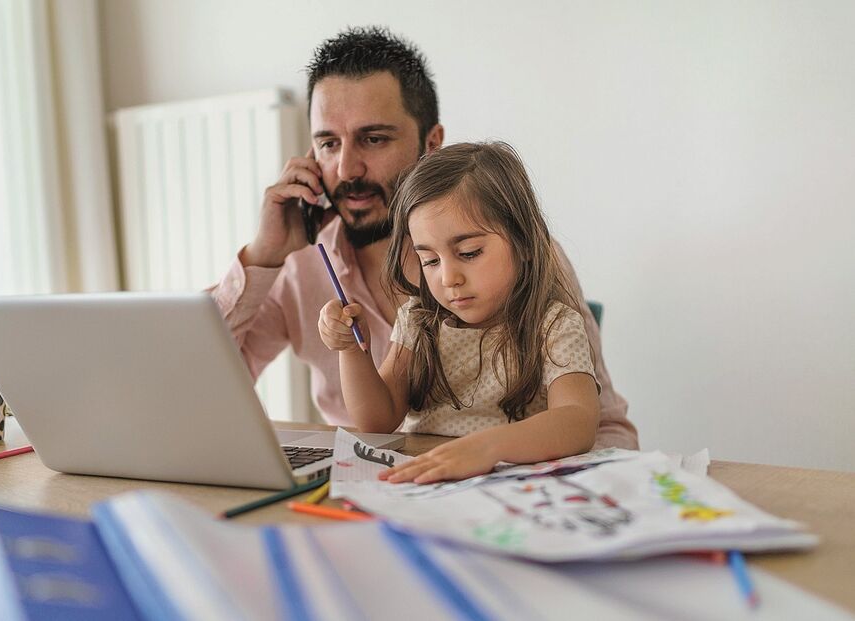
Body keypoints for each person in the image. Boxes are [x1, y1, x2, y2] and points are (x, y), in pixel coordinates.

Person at [209, 26, 637, 449]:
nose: (346, 169)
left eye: (373, 139)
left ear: (431, 144)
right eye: (328, 144)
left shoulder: (532, 260)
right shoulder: (300, 262)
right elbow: (197, 383)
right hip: (385, 485)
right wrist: (263, 255)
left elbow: (603, 427)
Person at [318, 142, 600, 482]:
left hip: (514, 490)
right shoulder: (418, 321)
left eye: (468, 252)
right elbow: (377, 422)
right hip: (428, 484)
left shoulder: (552, 325)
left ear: (524, 243)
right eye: (430, 260)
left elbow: (578, 421)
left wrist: (488, 447)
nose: (448, 278)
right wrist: (351, 350)